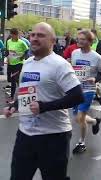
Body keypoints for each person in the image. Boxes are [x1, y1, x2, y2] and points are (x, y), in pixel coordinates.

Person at [3, 22, 84, 180]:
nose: (34, 38)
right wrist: (14, 106)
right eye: (32, 35)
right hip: (25, 135)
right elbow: (27, 92)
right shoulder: (27, 63)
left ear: (53, 41)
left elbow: (77, 96)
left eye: (40, 35)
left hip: (54, 137)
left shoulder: (60, 65)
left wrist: (44, 107)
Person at [71, 30, 101, 154]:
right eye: (78, 38)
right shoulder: (74, 53)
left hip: (88, 90)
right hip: (75, 89)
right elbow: (72, 69)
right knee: (78, 118)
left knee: (80, 117)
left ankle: (81, 142)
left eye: (83, 39)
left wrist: (95, 79)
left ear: (90, 41)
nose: (79, 41)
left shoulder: (96, 57)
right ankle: (95, 121)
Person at [5, 28, 29, 102]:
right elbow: (7, 50)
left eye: (16, 34)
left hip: (18, 64)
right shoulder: (9, 41)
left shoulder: (21, 42)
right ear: (11, 34)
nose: (16, 36)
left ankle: (12, 97)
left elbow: (27, 50)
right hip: (11, 63)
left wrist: (22, 57)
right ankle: (25, 92)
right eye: (14, 34)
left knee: (13, 79)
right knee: (15, 79)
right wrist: (7, 58)